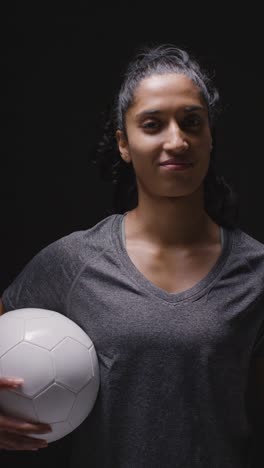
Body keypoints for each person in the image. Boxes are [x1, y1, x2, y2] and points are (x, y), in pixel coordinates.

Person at [0, 43, 264, 467]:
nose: (176, 141)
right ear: (124, 144)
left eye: (192, 123)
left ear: (210, 136)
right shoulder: (73, 262)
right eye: (153, 124)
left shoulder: (256, 272)